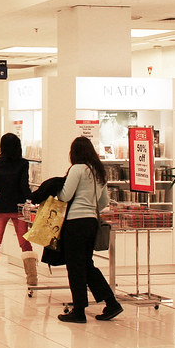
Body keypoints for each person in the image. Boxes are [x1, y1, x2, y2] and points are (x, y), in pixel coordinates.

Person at [56, 136, 122, 324]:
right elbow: (103, 202)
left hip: (74, 222)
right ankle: (111, 302)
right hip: (91, 223)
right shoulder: (99, 171)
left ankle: (79, 310)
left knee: (75, 267)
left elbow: (65, 195)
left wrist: (55, 192)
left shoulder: (76, 169)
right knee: (86, 265)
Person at [0, 133, 37, 285]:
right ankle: (32, 277)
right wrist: (32, 197)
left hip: (1, 206)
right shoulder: (23, 164)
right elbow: (24, 186)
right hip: (19, 207)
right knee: (24, 241)